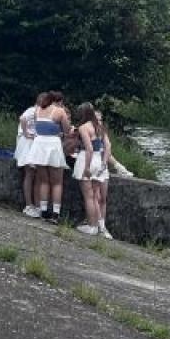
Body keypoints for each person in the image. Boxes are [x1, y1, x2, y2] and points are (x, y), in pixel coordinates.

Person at [70, 102, 114, 238]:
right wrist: (104, 163)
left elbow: (88, 148)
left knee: (89, 197)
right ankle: (99, 226)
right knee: (96, 196)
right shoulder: (99, 126)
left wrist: (87, 167)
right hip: (99, 161)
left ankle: (92, 226)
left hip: (87, 160)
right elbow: (108, 146)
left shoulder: (84, 127)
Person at [25, 92, 71, 222]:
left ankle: (43, 210)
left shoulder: (37, 110)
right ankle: (55, 213)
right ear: (59, 101)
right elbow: (67, 130)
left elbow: (36, 127)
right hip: (53, 143)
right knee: (57, 182)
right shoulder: (60, 111)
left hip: (39, 144)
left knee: (43, 180)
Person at [16, 92, 47, 218]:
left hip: (34, 143)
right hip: (28, 144)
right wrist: (26, 132)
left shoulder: (39, 112)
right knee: (29, 173)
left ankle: (36, 205)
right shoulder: (32, 110)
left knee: (35, 175)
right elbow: (22, 118)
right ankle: (29, 205)